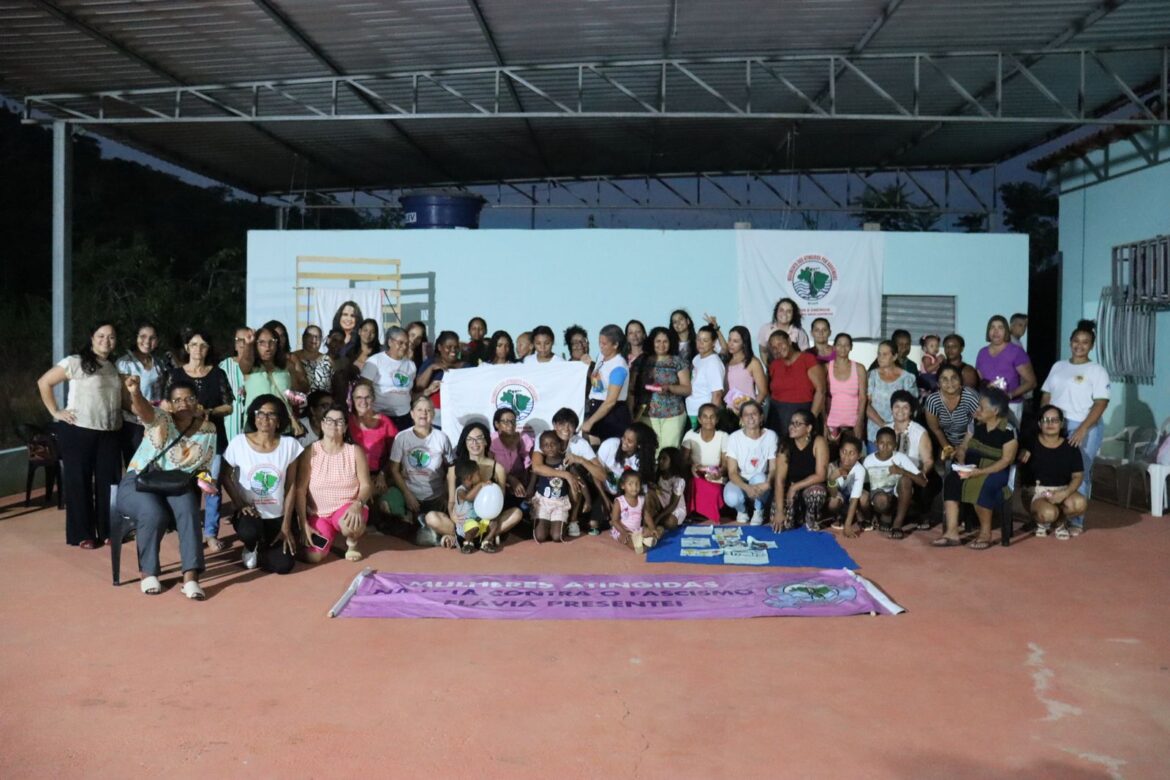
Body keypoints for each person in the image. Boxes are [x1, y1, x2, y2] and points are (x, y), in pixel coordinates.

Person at [115, 376, 217, 598]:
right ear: (169, 404)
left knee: (189, 509)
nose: (183, 404)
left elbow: (204, 468)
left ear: (197, 401)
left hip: (175, 483)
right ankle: (149, 573)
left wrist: (207, 484)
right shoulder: (161, 418)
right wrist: (135, 392)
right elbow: (143, 411)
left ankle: (190, 579)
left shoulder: (208, 430)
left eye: (189, 399)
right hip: (141, 480)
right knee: (153, 512)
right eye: (177, 400)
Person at [37, 321, 122, 549]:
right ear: (92, 338)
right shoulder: (75, 362)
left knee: (109, 484)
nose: (106, 340)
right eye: (101, 335)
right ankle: (83, 533)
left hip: (109, 433)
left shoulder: (114, 367)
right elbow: (44, 382)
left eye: (111, 336)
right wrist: (56, 412)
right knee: (79, 482)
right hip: (78, 430)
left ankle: (108, 530)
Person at [165, 328, 235, 551]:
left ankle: (211, 533)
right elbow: (165, 404)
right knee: (186, 488)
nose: (198, 350)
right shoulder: (176, 375)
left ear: (208, 349)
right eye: (193, 345)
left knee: (210, 486)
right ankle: (190, 533)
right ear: (186, 348)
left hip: (211, 441)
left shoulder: (217, 374)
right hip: (185, 443)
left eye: (203, 345)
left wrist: (209, 412)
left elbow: (229, 406)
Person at [1039, 319, 1110, 535]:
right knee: (1054, 472)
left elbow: (1101, 403)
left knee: (1080, 472)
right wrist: (1044, 421)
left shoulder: (1097, 370)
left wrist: (1083, 429)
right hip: (1056, 426)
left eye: (1085, 342)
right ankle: (1053, 514)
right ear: (1070, 342)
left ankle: (1076, 520)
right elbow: (1047, 396)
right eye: (1076, 341)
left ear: (1091, 345)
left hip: (1084, 425)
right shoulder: (1059, 366)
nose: (1080, 345)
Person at [221, 395, 304, 573]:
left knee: (283, 566)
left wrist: (287, 524)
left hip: (277, 516)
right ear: (253, 416)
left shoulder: (290, 445)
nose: (264, 418)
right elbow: (225, 475)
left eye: (271, 415)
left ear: (279, 420)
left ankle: (263, 547)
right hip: (250, 515)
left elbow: (291, 486)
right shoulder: (239, 443)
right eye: (260, 413)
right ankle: (251, 546)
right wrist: (239, 503)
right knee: (249, 532)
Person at [933, 388, 1019, 550]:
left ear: (995, 411)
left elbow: (1006, 460)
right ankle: (952, 533)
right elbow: (964, 446)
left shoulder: (1008, 430)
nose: (976, 410)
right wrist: (961, 456)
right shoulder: (975, 424)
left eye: (981, 407)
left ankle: (985, 534)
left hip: (995, 471)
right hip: (972, 466)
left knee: (983, 486)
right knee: (952, 480)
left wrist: (980, 472)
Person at [294, 402, 372, 565]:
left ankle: (351, 543)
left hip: (348, 508)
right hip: (319, 514)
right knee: (312, 557)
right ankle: (327, 539)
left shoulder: (355, 451)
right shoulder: (309, 451)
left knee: (349, 524)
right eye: (329, 420)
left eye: (339, 422)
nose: (334, 425)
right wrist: (303, 524)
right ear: (322, 424)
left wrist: (357, 505)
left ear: (345, 428)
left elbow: (366, 485)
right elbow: (300, 490)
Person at [437, 422, 523, 549]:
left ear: (486, 442)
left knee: (517, 513)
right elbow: (451, 501)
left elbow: (500, 501)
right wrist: (453, 515)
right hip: (463, 520)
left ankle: (469, 538)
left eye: (479, 439)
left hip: (486, 520)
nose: (475, 443)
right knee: (432, 518)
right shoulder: (454, 468)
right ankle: (482, 538)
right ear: (465, 443)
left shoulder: (498, 468)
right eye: (470, 439)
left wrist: (490, 521)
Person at [387, 397, 454, 540]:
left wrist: (446, 494)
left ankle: (429, 529)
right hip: (411, 494)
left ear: (433, 415)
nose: (424, 413)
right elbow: (394, 469)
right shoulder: (402, 437)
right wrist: (407, 494)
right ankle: (414, 523)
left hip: (435, 496)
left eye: (428, 410)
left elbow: (451, 468)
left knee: (432, 521)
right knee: (387, 502)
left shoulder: (442, 438)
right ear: (412, 414)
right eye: (419, 410)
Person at [1021, 405, 1088, 541]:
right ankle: (1040, 521)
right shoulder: (1029, 444)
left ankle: (1060, 522)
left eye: (1055, 420)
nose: (1050, 424)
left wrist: (1064, 493)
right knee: (1048, 513)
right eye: (1046, 420)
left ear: (1062, 424)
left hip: (1061, 490)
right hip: (1036, 492)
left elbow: (1078, 476)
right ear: (1040, 423)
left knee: (1080, 503)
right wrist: (1022, 451)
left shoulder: (1071, 447)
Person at [545, 407, 607, 537]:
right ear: (555, 425)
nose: (566, 429)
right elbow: (537, 467)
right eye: (562, 424)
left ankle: (573, 520)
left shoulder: (580, 443)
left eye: (571, 425)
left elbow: (602, 475)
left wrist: (580, 459)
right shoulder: (547, 439)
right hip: (549, 484)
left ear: (575, 428)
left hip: (574, 486)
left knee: (574, 476)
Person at [862, 427, 927, 539]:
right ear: (876, 443)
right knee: (881, 500)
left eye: (889, 443)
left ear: (895, 445)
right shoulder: (868, 461)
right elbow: (864, 487)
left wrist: (902, 471)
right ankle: (885, 516)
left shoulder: (901, 458)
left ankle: (897, 524)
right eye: (881, 443)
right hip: (879, 498)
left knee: (905, 480)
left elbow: (923, 482)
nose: (885, 447)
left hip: (898, 498)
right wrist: (870, 515)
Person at [239, 324, 303, 436]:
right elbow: (245, 362)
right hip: (255, 425)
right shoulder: (250, 367)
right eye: (261, 343)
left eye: (271, 342)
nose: (267, 347)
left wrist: (294, 398)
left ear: (277, 344)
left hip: (282, 423)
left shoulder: (288, 366)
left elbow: (295, 394)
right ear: (255, 345)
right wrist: (248, 345)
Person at [772, 409, 829, 532]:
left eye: (798, 424)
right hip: (790, 487)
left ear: (808, 428)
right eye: (791, 423)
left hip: (810, 486)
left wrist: (795, 487)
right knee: (783, 525)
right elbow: (779, 479)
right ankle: (797, 514)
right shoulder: (785, 444)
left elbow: (821, 475)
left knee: (816, 493)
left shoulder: (818, 442)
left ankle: (811, 516)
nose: (792, 427)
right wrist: (780, 511)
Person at [115, 322, 163, 467]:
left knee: (156, 465)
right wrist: (143, 413)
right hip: (134, 424)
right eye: (143, 336)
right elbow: (123, 399)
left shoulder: (159, 363)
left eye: (152, 338)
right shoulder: (125, 363)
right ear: (136, 338)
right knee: (136, 466)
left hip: (156, 422)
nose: (147, 341)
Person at [723, 401, 778, 525]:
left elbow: (773, 468)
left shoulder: (770, 436)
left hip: (760, 479)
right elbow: (732, 472)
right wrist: (746, 488)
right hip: (741, 480)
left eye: (754, 414)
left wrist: (768, 483)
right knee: (731, 497)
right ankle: (742, 511)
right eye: (746, 415)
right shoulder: (734, 438)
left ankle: (759, 510)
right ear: (741, 419)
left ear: (761, 417)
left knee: (760, 477)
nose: (750, 417)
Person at [641, 325, 691, 455]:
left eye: (665, 341)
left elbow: (687, 389)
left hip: (673, 414)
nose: (661, 345)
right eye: (658, 341)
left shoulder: (677, 362)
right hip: (647, 415)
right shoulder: (643, 361)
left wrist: (669, 388)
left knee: (669, 453)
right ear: (652, 342)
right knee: (650, 452)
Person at [766, 330, 825, 438]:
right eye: (774, 347)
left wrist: (809, 420)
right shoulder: (774, 365)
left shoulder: (807, 359)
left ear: (789, 341)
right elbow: (770, 392)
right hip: (777, 417)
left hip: (803, 413)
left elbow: (821, 391)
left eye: (780, 344)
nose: (778, 349)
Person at [976, 314, 1036, 420]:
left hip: (1011, 405)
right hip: (987, 406)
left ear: (1006, 331)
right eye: (992, 327)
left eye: (1000, 327)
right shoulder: (982, 353)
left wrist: (1010, 395)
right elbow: (978, 380)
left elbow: (1031, 382)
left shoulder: (1016, 351)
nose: (996, 331)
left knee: (1008, 435)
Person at [347, 379, 398, 503]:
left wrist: (383, 474)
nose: (363, 402)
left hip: (377, 476)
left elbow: (395, 454)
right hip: (353, 477)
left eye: (367, 397)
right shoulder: (346, 422)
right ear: (352, 400)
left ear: (373, 399)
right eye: (358, 397)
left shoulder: (385, 422)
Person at [595, 423, 659, 520]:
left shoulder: (641, 461)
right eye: (624, 437)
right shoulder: (610, 445)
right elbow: (594, 473)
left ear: (639, 445)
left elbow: (640, 490)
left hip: (622, 496)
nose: (624, 442)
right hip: (600, 490)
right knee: (595, 523)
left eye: (629, 441)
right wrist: (605, 499)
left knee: (648, 496)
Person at [582, 324, 632, 445]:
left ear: (615, 345)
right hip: (596, 409)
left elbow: (610, 401)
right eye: (600, 342)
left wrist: (590, 422)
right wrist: (588, 366)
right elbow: (598, 385)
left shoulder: (619, 367)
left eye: (604, 344)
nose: (601, 347)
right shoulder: (601, 357)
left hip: (611, 416)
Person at [361, 325, 417, 431]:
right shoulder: (375, 361)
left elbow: (409, 392)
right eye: (400, 343)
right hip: (379, 416)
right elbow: (364, 389)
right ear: (390, 342)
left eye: (406, 343)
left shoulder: (411, 365)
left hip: (404, 418)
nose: (404, 347)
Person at [529, 430, 579, 543]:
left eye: (553, 444)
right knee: (540, 537)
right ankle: (545, 522)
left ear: (560, 445)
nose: (550, 447)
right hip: (543, 502)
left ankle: (559, 523)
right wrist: (529, 491)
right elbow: (534, 478)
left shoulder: (565, 462)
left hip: (560, 503)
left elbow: (578, 480)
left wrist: (588, 500)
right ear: (541, 448)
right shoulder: (541, 464)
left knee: (557, 537)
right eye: (546, 445)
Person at [682, 403, 729, 521]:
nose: (709, 420)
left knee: (714, 490)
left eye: (712, 417)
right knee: (694, 483)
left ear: (717, 419)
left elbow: (725, 463)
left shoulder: (723, 436)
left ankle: (709, 515)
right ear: (699, 419)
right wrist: (692, 466)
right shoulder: (691, 435)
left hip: (715, 474)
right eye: (705, 416)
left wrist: (720, 472)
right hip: (696, 473)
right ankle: (694, 514)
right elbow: (683, 459)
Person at [924, 364, 982, 457]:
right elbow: (936, 429)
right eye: (944, 379)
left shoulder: (970, 396)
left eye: (954, 378)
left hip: (972, 440)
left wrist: (962, 448)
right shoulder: (933, 401)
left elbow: (977, 426)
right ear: (938, 384)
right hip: (946, 441)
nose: (950, 383)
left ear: (960, 381)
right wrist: (947, 448)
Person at [866, 340, 916, 443]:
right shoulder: (872, 376)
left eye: (885, 354)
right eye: (879, 354)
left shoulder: (907, 378)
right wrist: (884, 425)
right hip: (875, 431)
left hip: (900, 432)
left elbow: (912, 407)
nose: (880, 357)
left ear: (894, 357)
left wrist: (896, 428)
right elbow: (866, 405)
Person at [825, 332, 868, 446]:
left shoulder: (859, 368)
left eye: (846, 345)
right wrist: (824, 423)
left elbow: (863, 398)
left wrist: (859, 422)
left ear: (851, 347)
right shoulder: (827, 367)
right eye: (839, 344)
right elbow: (824, 397)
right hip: (832, 424)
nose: (842, 348)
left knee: (852, 458)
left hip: (853, 424)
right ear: (834, 347)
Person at [722, 325, 768, 426]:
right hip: (729, 413)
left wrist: (750, 411)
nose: (731, 344)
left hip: (747, 414)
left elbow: (763, 391)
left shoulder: (753, 362)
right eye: (729, 340)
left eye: (735, 341)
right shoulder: (726, 362)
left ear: (744, 343)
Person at [415, 330, 462, 429]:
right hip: (433, 419)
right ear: (440, 347)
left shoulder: (466, 366)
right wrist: (431, 368)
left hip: (457, 418)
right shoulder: (430, 362)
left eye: (456, 347)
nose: (453, 350)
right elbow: (419, 387)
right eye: (449, 347)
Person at [490, 407, 532, 515]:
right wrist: (510, 479)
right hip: (499, 485)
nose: (511, 425)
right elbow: (489, 467)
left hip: (520, 486)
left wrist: (527, 488)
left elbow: (528, 465)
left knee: (526, 511)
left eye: (513, 421)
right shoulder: (491, 440)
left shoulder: (523, 438)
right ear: (497, 424)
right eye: (505, 421)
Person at [827, 435, 867, 538]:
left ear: (859, 456)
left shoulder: (859, 470)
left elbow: (854, 498)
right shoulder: (832, 466)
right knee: (833, 502)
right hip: (841, 498)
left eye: (851, 453)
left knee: (864, 498)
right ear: (839, 452)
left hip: (853, 500)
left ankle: (861, 516)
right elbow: (833, 493)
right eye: (844, 452)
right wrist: (832, 479)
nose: (846, 456)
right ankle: (839, 516)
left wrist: (847, 526)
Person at [218, 326, 252, 445]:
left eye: (247, 339)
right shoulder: (224, 366)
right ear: (234, 344)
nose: (243, 344)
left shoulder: (258, 365)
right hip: (231, 420)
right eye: (239, 340)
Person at [687, 325, 726, 428]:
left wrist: (710, 418)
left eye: (705, 340)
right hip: (692, 410)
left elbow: (717, 394)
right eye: (698, 339)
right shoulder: (697, 358)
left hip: (704, 416)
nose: (700, 343)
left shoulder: (714, 362)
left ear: (713, 343)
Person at [610, 471, 654, 553]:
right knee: (633, 544)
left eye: (637, 484)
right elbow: (614, 521)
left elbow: (646, 515)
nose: (634, 487)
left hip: (637, 530)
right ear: (623, 486)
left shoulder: (641, 499)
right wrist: (624, 533)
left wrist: (652, 528)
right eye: (630, 484)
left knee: (652, 532)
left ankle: (642, 539)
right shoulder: (619, 501)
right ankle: (643, 544)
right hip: (622, 531)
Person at [757, 297, 810, 363]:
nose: (784, 314)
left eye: (789, 311)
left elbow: (805, 354)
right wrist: (769, 367)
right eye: (781, 310)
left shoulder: (799, 332)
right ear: (776, 312)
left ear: (793, 315)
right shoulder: (765, 329)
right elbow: (763, 351)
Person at [652, 447, 688, 532]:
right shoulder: (659, 476)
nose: (660, 461)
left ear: (673, 461)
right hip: (662, 507)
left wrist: (658, 518)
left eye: (664, 459)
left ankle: (656, 522)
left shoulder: (679, 480)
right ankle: (655, 522)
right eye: (659, 458)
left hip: (675, 509)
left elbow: (673, 505)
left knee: (670, 522)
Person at [292, 325, 332, 393]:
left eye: (318, 337)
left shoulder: (328, 360)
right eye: (310, 336)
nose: (314, 339)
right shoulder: (293, 358)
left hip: (324, 401)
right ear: (303, 338)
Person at [624, 319, 650, 418]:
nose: (634, 335)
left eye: (638, 332)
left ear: (644, 334)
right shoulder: (622, 358)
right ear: (626, 337)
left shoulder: (651, 357)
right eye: (630, 333)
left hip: (644, 406)